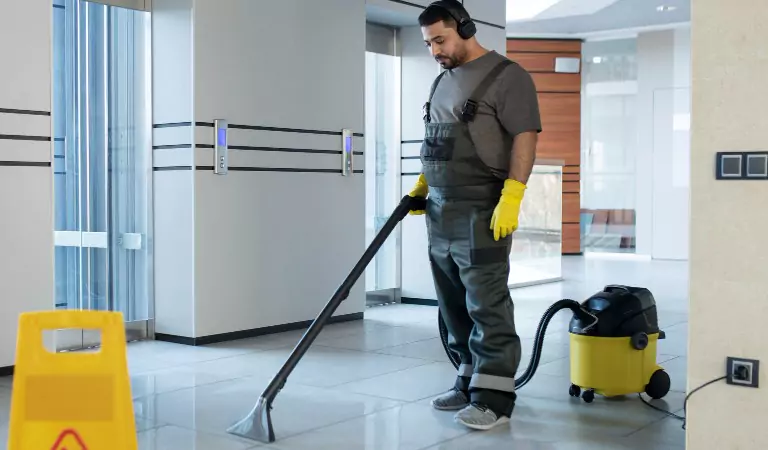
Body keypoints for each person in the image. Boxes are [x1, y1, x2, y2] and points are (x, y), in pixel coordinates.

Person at [408, 0, 542, 431]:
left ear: (465, 27)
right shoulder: (441, 82)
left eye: (440, 40)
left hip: (483, 207)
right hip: (440, 209)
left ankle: (495, 398)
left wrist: (514, 195)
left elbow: (525, 137)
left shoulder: (508, 77)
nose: (435, 51)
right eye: (429, 43)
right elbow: (436, 140)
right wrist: (423, 185)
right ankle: (468, 380)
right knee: (452, 304)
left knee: (486, 301)